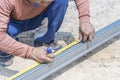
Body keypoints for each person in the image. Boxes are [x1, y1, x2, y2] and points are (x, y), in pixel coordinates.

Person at [0, 0, 95, 66]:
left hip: (36, 16)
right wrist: (30, 52)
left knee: (61, 1)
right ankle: (4, 54)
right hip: (12, 22)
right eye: (42, 1)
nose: (46, 3)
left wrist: (84, 19)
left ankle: (44, 39)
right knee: (4, 37)